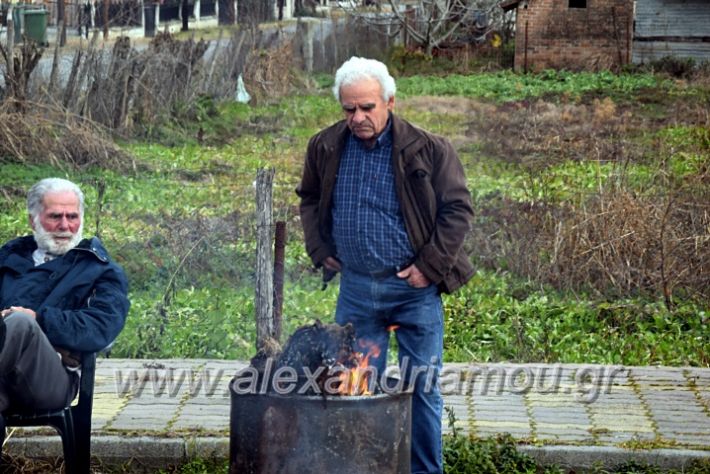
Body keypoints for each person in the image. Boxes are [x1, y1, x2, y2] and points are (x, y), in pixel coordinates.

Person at [296, 57, 474, 474]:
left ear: (390, 101)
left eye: (367, 108)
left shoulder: (428, 148)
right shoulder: (325, 146)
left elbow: (457, 209)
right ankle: (365, 469)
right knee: (355, 389)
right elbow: (308, 197)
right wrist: (320, 248)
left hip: (413, 293)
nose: (357, 117)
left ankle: (424, 471)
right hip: (357, 292)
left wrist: (429, 267)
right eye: (348, 109)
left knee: (423, 388)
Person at [0, 178, 130, 451]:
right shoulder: (8, 258)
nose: (65, 226)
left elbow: (101, 327)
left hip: (50, 379)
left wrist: (40, 319)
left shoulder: (100, 269)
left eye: (72, 216)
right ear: (33, 220)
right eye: (55, 216)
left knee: (21, 323)